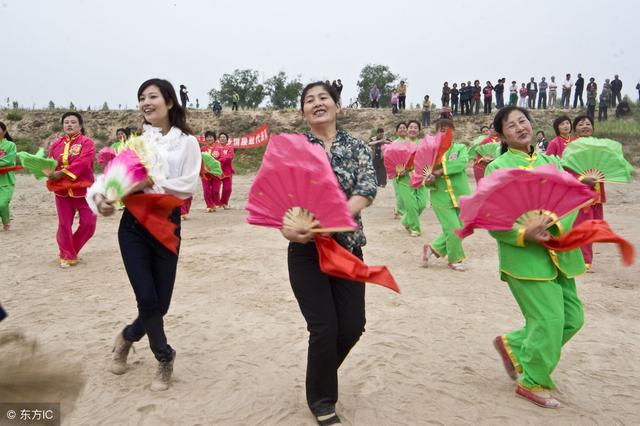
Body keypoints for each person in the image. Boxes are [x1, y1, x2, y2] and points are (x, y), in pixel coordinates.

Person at [89, 78, 201, 391]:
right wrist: (102, 198)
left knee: (160, 305)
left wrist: (147, 183)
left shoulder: (187, 143)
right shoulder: (136, 144)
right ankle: (164, 357)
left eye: (152, 96)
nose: (145, 102)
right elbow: (108, 181)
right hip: (134, 226)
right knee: (147, 298)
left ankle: (127, 336)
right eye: (141, 97)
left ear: (169, 102)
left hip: (167, 223)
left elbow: (188, 185)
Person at [283, 81, 376, 425]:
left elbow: (367, 187)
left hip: (347, 248)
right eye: (310, 100)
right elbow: (282, 199)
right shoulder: (293, 149)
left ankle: (318, 376)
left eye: (324, 98)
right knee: (323, 327)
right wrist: (289, 228)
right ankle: (322, 400)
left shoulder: (355, 146)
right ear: (303, 112)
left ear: (337, 106)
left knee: (352, 326)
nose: (317, 103)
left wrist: (340, 213)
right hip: (306, 250)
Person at [487, 106, 586, 409]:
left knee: (572, 319)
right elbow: (492, 217)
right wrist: (522, 233)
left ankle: (514, 346)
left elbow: (568, 204)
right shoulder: (498, 168)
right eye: (511, 125)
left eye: (523, 121)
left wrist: (557, 224)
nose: (519, 127)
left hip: (560, 254)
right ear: (501, 134)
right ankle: (533, 380)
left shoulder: (551, 162)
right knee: (549, 320)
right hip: (526, 260)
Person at [47, 112, 96, 268]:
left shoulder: (87, 143)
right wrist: (47, 171)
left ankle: (70, 249)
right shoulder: (55, 144)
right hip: (61, 191)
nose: (69, 124)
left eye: (73, 122)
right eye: (66, 122)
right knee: (64, 225)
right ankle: (67, 255)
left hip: (83, 190)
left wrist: (62, 173)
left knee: (89, 223)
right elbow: (48, 164)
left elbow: (84, 162)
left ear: (80, 125)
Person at [421, 119, 471, 272]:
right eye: (441, 129)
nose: (445, 132)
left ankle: (432, 249)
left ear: (454, 132)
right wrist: (429, 179)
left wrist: (440, 170)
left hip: (461, 195)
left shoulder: (460, 148)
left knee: (462, 228)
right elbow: (424, 179)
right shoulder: (431, 153)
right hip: (440, 198)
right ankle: (454, 259)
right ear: (436, 133)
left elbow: (462, 163)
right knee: (453, 228)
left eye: (449, 129)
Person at [572, 115, 604, 271]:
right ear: (575, 128)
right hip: (579, 194)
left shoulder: (599, 146)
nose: (585, 126)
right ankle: (583, 261)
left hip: (596, 194)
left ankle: (585, 259)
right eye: (580, 124)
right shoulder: (572, 147)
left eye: (588, 123)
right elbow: (565, 170)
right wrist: (582, 179)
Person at [395, 120, 427, 236]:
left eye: (415, 127)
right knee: (411, 204)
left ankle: (405, 220)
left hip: (420, 178)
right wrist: (399, 170)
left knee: (422, 204)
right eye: (411, 127)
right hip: (405, 179)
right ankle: (415, 228)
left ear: (419, 131)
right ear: (407, 130)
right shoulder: (400, 144)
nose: (413, 129)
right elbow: (394, 160)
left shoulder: (423, 143)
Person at [211, 132, 235, 209]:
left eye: (224, 137)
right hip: (217, 171)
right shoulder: (215, 148)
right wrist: (223, 158)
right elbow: (213, 158)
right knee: (215, 190)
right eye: (221, 137)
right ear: (218, 139)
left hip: (227, 171)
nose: (222, 138)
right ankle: (217, 203)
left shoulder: (230, 148)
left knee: (228, 189)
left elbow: (230, 157)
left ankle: (224, 202)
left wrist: (220, 159)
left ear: (227, 139)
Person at [0, 122, 17, 231]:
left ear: (4, 131)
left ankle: (6, 222)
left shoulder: (10, 145)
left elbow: (8, 161)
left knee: (2, 204)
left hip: (6, 180)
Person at [200, 130, 219, 211]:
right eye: (207, 137)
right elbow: (199, 159)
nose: (209, 138)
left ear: (214, 138)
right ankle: (210, 206)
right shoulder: (202, 149)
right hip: (205, 172)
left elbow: (221, 160)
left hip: (215, 173)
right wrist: (203, 169)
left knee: (215, 190)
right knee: (206, 190)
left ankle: (214, 203)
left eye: (211, 137)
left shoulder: (218, 148)